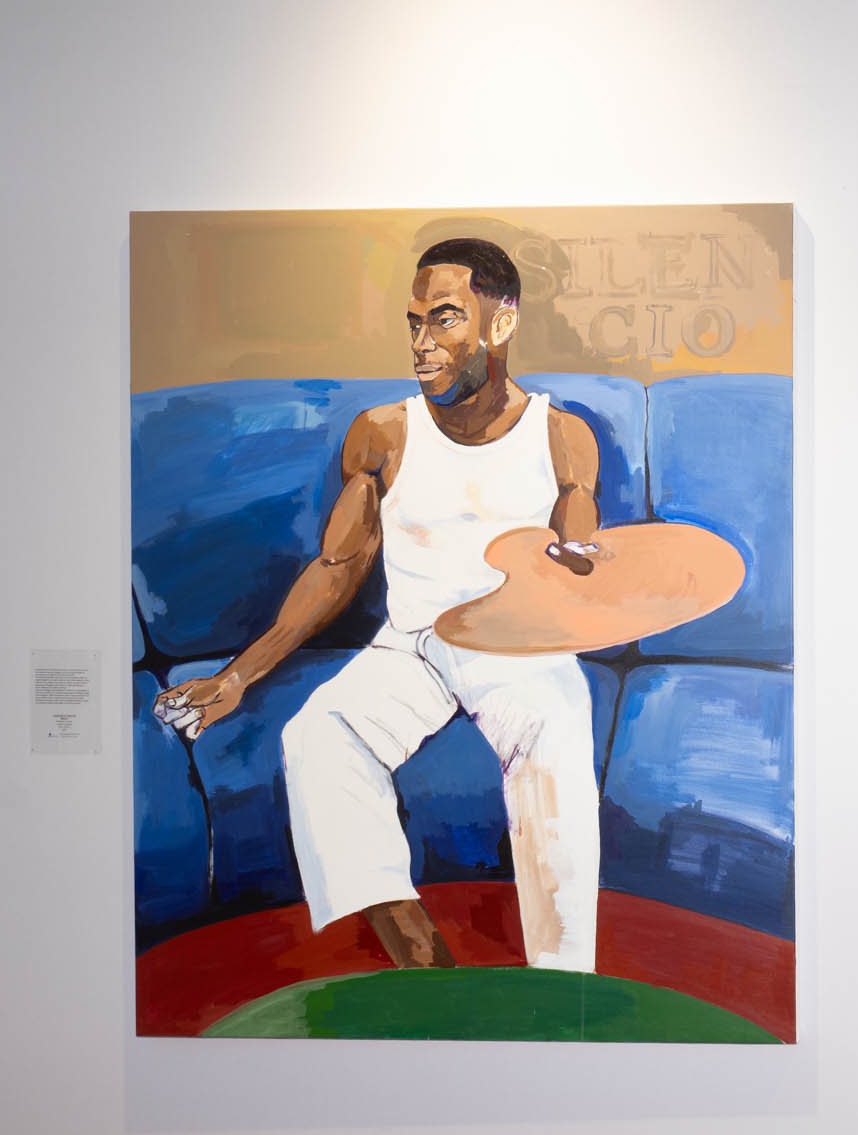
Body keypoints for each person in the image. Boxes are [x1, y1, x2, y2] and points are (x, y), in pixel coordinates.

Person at [154, 238, 606, 972]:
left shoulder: (561, 437)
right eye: (414, 323)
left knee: (558, 736)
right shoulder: (383, 434)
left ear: (500, 323)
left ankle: (565, 985)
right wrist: (237, 676)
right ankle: (422, 964)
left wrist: (580, 573)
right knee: (316, 736)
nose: (422, 344)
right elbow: (337, 568)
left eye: (445, 320)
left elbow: (580, 563)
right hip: (414, 646)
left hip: (520, 648)